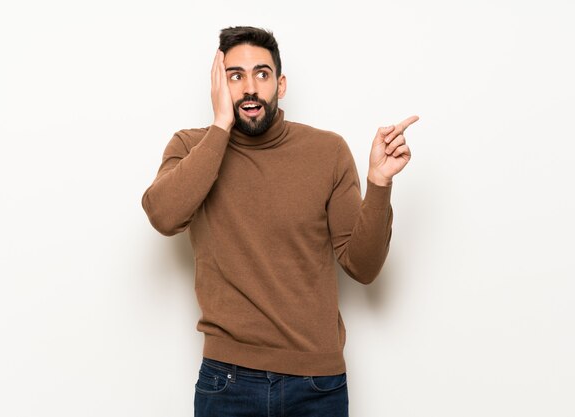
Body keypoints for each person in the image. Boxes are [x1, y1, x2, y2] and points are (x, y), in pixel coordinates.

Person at [142, 26, 418, 417]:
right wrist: (221, 126)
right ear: (218, 85)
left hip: (317, 384)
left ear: (281, 84)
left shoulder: (327, 151)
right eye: (235, 76)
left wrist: (379, 183)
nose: (250, 88)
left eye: (262, 73)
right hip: (227, 382)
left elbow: (364, 266)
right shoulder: (191, 147)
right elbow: (164, 216)